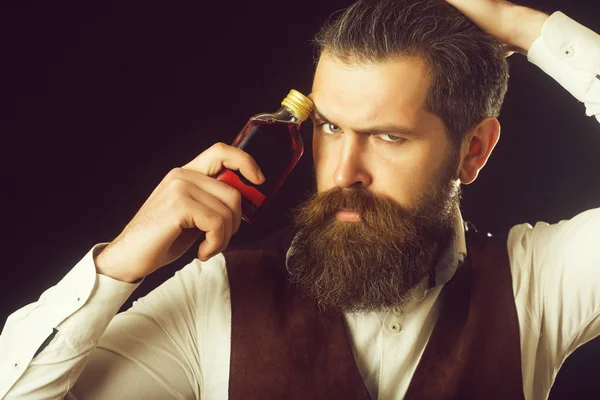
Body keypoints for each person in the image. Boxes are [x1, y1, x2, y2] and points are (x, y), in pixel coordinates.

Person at [1, 0, 599, 398]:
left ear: (474, 150)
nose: (343, 173)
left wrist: (524, 26)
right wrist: (115, 268)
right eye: (330, 128)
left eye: (389, 137)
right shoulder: (217, 298)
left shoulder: (535, 288)